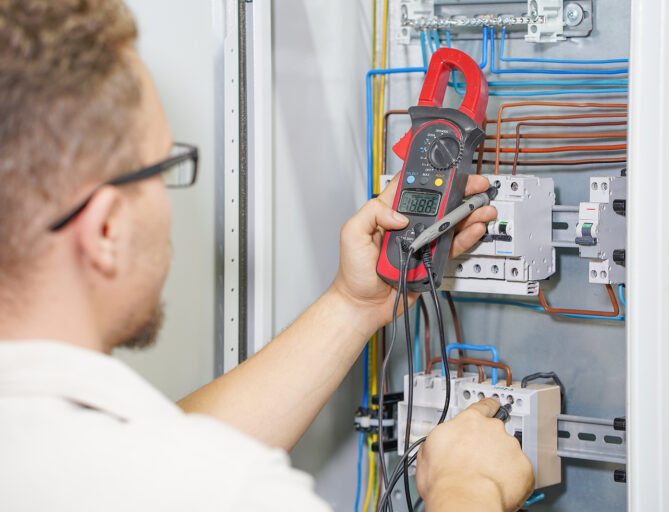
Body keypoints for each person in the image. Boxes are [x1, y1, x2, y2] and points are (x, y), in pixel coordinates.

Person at [0, 1, 534, 510]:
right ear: (106, 229)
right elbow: (173, 475)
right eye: (163, 170)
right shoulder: (228, 492)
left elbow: (159, 453)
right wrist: (469, 490)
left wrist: (354, 304)